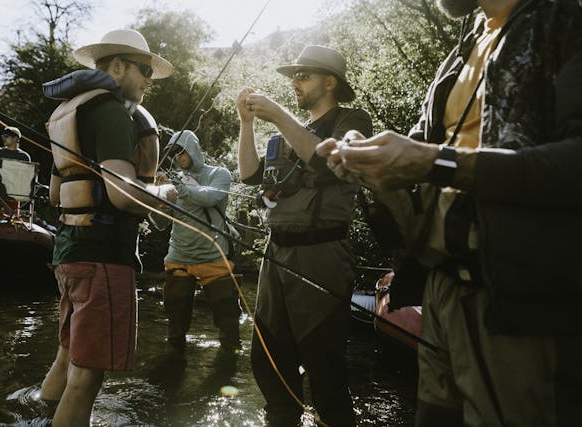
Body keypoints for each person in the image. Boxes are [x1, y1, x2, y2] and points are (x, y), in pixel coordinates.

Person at [317, 1, 582, 425]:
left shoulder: (567, 21)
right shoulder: (466, 44)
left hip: (519, 303)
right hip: (439, 291)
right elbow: (425, 153)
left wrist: (433, 162)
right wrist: (368, 158)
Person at [38, 28, 178, 426]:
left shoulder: (72, 111)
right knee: (88, 372)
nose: (149, 80)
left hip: (68, 254)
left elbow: (53, 193)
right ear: (117, 66)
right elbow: (121, 197)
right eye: (144, 70)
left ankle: (36, 417)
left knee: (68, 353)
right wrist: (164, 192)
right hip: (103, 256)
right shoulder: (115, 111)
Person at [236, 45, 372, 426]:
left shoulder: (352, 119)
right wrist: (246, 123)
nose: (294, 82)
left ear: (330, 82)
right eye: (292, 76)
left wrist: (277, 115)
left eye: (303, 75)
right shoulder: (290, 134)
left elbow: (332, 164)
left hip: (321, 253)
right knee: (269, 363)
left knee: (323, 368)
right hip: (274, 256)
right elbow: (249, 176)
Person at [155, 129, 242, 353]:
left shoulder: (219, 173)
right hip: (179, 256)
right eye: (173, 154)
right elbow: (159, 223)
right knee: (175, 327)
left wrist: (180, 189)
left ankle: (228, 368)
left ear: (192, 148)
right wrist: (158, 198)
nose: (177, 157)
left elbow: (209, 197)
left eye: (180, 151)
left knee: (228, 324)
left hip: (214, 256)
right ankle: (173, 371)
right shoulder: (172, 182)